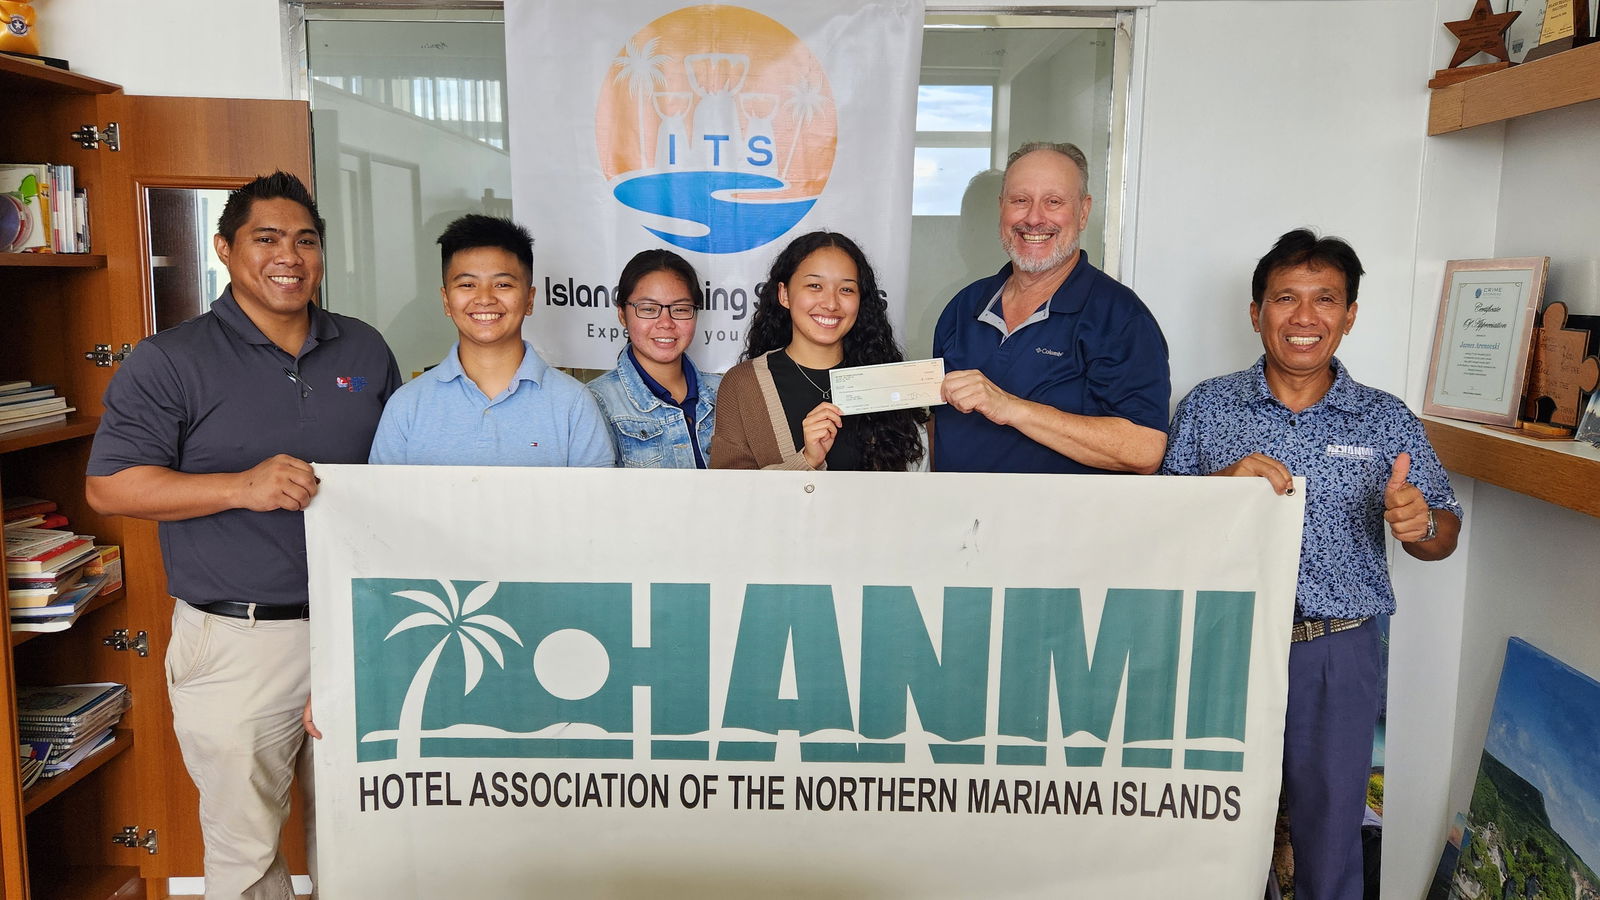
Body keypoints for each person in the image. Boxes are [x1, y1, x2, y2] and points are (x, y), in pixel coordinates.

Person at [85, 171, 401, 899]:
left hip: (359, 633)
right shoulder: (170, 359)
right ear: (225, 249)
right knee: (247, 850)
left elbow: (393, 481)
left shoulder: (364, 350)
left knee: (370, 830)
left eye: (305, 240)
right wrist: (239, 487)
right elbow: (109, 486)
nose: (288, 256)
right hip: (236, 640)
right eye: (266, 239)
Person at [1161, 228, 1462, 900]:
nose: (1304, 317)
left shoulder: (1386, 420)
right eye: (1284, 299)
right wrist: (1219, 486)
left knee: (1329, 847)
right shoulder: (1208, 407)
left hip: (1336, 653)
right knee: (1211, 836)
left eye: (1325, 299)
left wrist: (1423, 524)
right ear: (1256, 312)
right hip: (1222, 645)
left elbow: (1442, 529)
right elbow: (1160, 521)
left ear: (1349, 314)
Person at [931, 141, 1169, 474]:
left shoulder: (1120, 317)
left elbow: (1144, 450)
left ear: (1083, 212)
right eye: (1020, 201)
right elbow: (938, 421)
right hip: (959, 519)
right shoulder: (964, 306)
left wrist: (1010, 408)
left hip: (1063, 524)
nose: (1033, 218)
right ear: (1001, 208)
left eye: (1053, 202)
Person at [367, 214, 613, 467]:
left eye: (503, 284)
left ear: (529, 300)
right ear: (446, 301)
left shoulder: (573, 403)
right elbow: (383, 503)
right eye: (467, 285)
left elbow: (596, 503)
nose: (484, 298)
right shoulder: (407, 405)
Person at [710, 230, 927, 471]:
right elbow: (729, 494)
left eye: (846, 289)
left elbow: (916, 477)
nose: (831, 304)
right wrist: (807, 460)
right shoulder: (742, 384)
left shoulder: (887, 381)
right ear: (784, 295)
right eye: (815, 286)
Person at [587, 249, 720, 467]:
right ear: (622, 314)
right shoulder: (596, 401)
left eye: (680, 309)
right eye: (649, 309)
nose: (666, 322)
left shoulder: (725, 394)